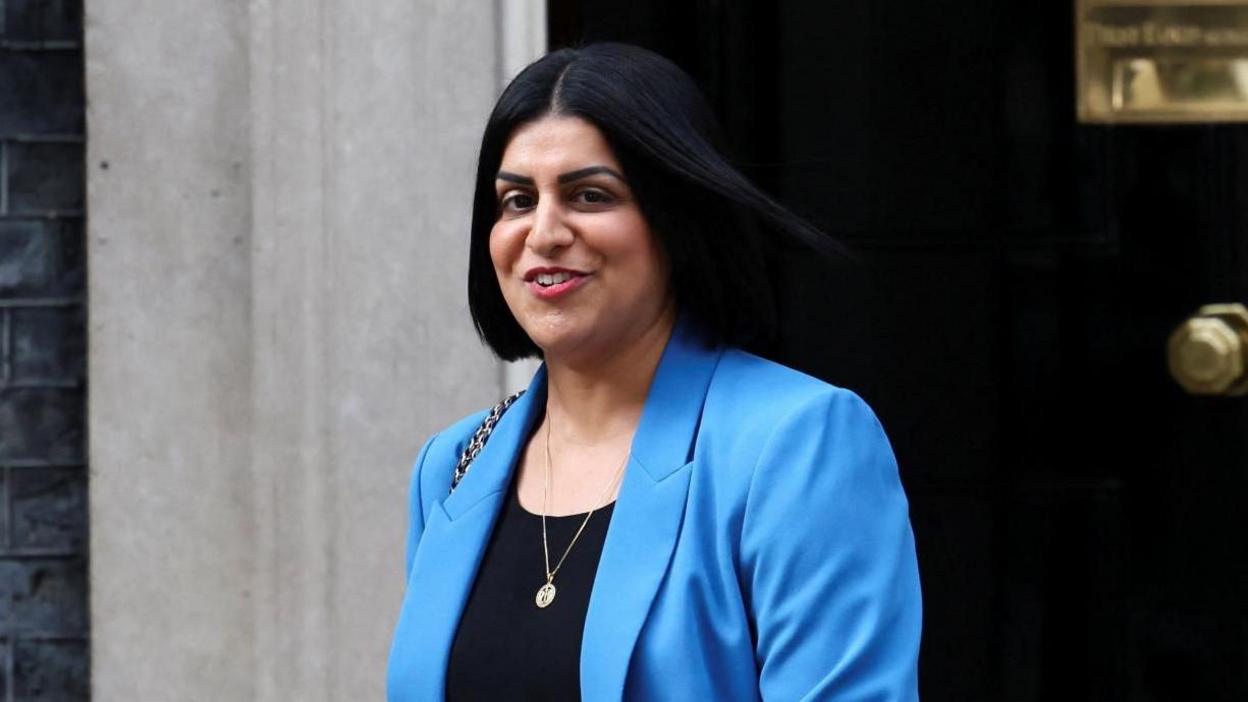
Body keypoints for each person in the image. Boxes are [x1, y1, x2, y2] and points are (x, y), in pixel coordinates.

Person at [387, 42, 921, 701]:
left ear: (674, 221)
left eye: (588, 195)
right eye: (517, 201)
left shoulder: (799, 445)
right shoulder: (451, 467)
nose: (544, 232)